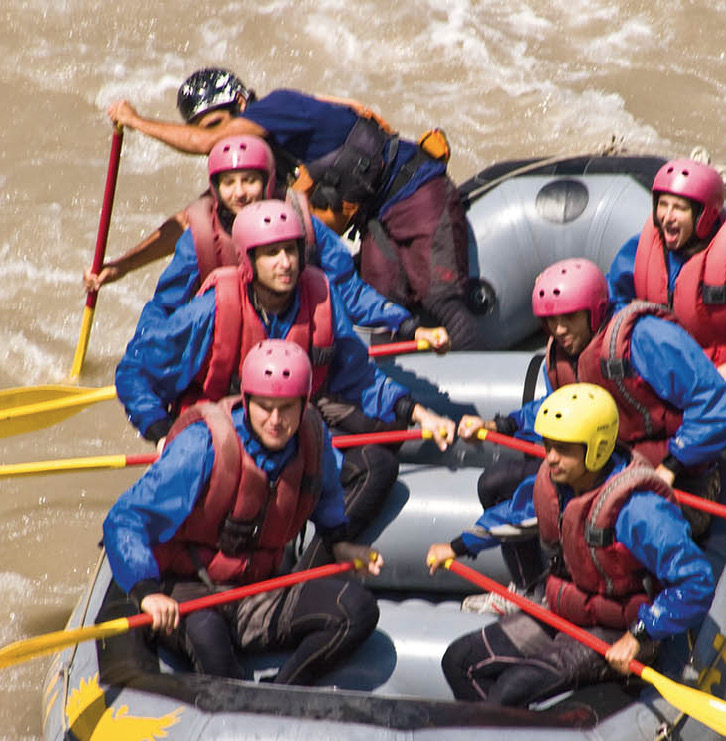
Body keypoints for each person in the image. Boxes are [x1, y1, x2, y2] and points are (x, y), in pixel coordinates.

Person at [115, 198, 455, 536]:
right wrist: (160, 433)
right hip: (220, 432)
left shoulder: (321, 296)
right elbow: (134, 373)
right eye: (272, 253)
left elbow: (360, 376)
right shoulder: (212, 310)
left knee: (383, 435)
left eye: (291, 251)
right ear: (249, 260)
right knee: (375, 467)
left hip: (288, 421)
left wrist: (419, 413)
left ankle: (312, 541)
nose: (286, 263)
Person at [106, 68, 479, 349]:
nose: (223, 141)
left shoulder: (277, 108)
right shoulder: (255, 168)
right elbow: (192, 221)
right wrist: (120, 267)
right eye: (210, 130)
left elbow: (205, 143)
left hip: (415, 191)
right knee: (383, 316)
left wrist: (136, 121)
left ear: (240, 105)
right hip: (376, 220)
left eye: (220, 125)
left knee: (440, 298)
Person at [98, 339, 383, 685]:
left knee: (357, 609)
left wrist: (340, 542)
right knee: (209, 639)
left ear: (304, 403)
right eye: (265, 407)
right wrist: (147, 592)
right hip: (188, 592)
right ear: (246, 401)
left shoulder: (312, 437)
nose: (275, 420)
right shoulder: (201, 446)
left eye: (287, 407)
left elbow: (327, 495)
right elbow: (125, 519)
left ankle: (282, 693)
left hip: (256, 591)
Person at [427, 384, 716, 707]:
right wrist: (456, 546)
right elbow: (515, 514)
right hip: (564, 610)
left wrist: (638, 637)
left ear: (596, 448)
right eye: (548, 445)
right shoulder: (556, 484)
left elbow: (696, 581)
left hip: (617, 628)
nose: (550, 457)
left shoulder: (641, 510)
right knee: (458, 661)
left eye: (563, 449)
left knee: (510, 691)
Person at [456, 258, 726, 577]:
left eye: (569, 317)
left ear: (594, 310)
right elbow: (560, 409)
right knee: (497, 483)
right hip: (599, 465)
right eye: (551, 320)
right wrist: (502, 425)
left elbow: (714, 403)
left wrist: (672, 467)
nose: (559, 330)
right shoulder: (564, 351)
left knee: (602, 522)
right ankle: (532, 587)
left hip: (678, 476)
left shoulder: (645, 338)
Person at [85, 134, 450, 350]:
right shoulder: (200, 238)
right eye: (229, 183)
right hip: (231, 356)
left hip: (292, 355)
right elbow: (164, 308)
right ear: (215, 187)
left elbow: (348, 291)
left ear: (269, 180)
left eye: (250, 181)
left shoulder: (300, 220)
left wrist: (408, 326)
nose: (240, 193)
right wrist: (146, 354)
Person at [605, 158, 726, 389]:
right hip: (659, 365)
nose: (667, 217)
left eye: (679, 208)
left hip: (716, 376)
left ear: (703, 216)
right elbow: (612, 299)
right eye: (663, 205)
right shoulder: (643, 247)